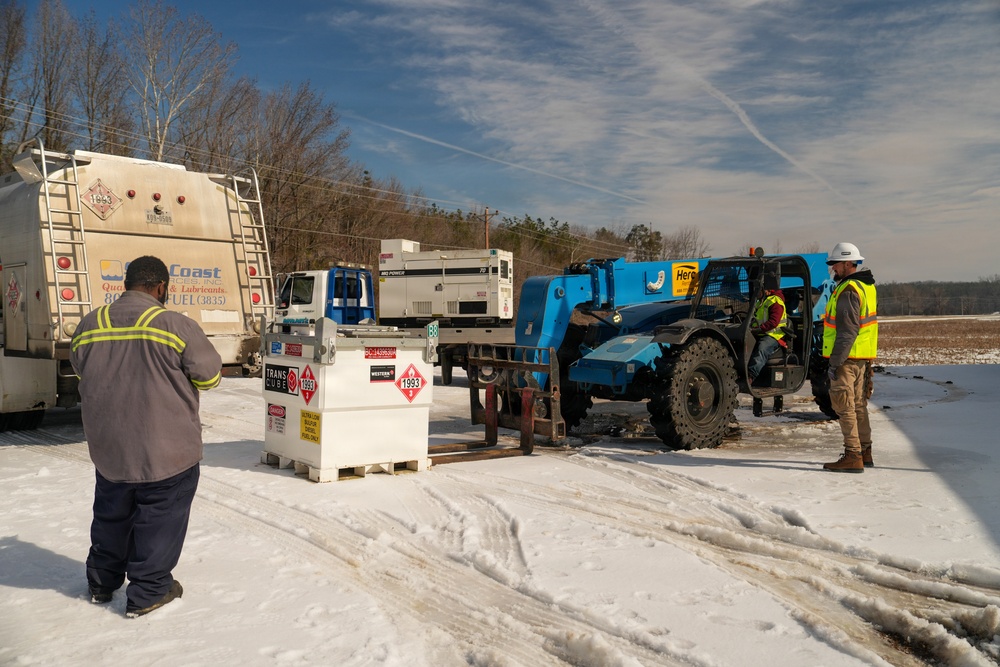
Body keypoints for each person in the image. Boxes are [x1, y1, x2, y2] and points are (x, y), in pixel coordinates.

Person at [70, 256, 222, 616]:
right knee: (159, 517)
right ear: (160, 288)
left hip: (110, 450)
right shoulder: (174, 325)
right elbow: (209, 376)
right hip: (166, 451)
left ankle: (101, 582)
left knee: (111, 514)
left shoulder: (91, 324)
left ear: (127, 284)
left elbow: (81, 371)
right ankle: (149, 591)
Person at [821, 242, 878, 473]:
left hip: (846, 359)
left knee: (845, 407)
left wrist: (834, 362)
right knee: (857, 406)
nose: (833, 268)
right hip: (860, 357)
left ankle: (853, 455)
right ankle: (865, 452)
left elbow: (847, 331)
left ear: (847, 263)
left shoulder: (848, 290)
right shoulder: (866, 287)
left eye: (836, 264)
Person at [747, 273, 787, 385]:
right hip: (760, 333)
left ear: (766, 289)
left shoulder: (776, 302)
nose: (757, 293)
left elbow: (774, 322)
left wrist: (760, 329)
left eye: (759, 289)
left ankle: (751, 376)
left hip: (773, 335)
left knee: (762, 348)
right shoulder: (761, 302)